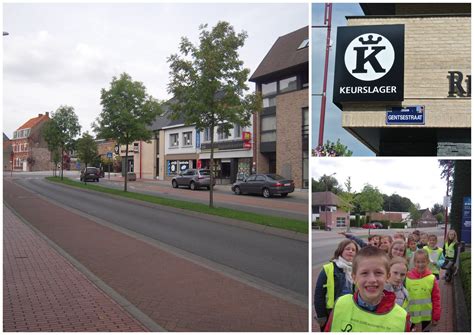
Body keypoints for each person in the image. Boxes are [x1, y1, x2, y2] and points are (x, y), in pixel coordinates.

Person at [324, 246, 411, 332]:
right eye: (364, 273)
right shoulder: (340, 305)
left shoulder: (401, 317)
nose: (372, 280)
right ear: (354, 278)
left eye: (378, 273)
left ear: (387, 277)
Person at [314, 239, 359, 330]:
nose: (350, 251)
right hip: (331, 312)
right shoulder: (329, 268)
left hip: (351, 312)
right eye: (347, 249)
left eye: (353, 250)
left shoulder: (357, 270)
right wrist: (321, 316)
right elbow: (319, 295)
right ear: (341, 250)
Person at [406, 249, 441, 331]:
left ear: (428, 262)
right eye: (418, 262)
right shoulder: (407, 277)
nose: (420, 264)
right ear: (414, 262)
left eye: (423, 262)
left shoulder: (432, 278)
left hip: (426, 317)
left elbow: (436, 298)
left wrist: (436, 316)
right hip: (411, 317)